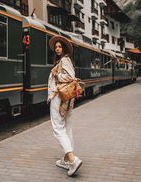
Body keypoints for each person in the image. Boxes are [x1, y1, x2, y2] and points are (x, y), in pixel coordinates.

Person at [47, 35, 82, 176]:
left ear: (65, 48)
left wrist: (56, 75)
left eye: (59, 46)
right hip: (66, 99)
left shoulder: (65, 60)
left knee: (58, 128)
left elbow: (70, 77)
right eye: (55, 47)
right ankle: (67, 159)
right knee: (67, 128)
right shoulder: (62, 61)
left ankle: (72, 160)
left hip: (59, 97)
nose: (57, 49)